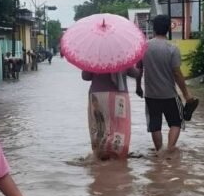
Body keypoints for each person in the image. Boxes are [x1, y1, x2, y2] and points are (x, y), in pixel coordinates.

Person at [136, 15, 197, 153]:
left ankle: (159, 152)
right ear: (169, 28)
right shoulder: (172, 48)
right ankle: (170, 149)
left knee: (155, 124)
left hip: (151, 95)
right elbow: (177, 73)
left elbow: (139, 69)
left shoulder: (143, 47)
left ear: (154, 28)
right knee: (176, 122)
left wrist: (138, 86)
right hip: (169, 94)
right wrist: (186, 94)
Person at [82, 67, 141, 160]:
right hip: (118, 96)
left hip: (97, 95)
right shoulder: (122, 56)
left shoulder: (94, 56)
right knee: (119, 126)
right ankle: (116, 154)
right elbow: (135, 73)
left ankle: (99, 154)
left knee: (99, 125)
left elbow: (85, 76)